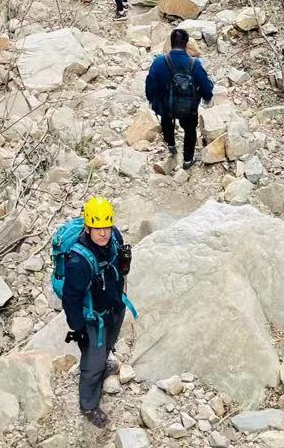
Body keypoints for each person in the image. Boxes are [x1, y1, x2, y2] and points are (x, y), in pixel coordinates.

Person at [60, 197, 132, 426]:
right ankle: (88, 405)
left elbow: (119, 268)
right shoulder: (78, 262)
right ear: (88, 227)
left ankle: (103, 362)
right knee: (92, 364)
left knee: (109, 345)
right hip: (94, 320)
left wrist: (125, 264)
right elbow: (71, 300)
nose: (103, 233)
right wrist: (78, 329)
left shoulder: (115, 237)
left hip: (114, 306)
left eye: (107, 227)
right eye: (98, 228)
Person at [145, 28, 214, 169]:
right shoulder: (195, 64)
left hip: (166, 106)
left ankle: (171, 145)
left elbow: (150, 82)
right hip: (188, 108)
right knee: (190, 130)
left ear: (171, 43)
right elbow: (206, 87)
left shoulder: (159, 62)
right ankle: (188, 160)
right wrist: (207, 97)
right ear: (186, 43)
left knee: (166, 121)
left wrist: (152, 100)